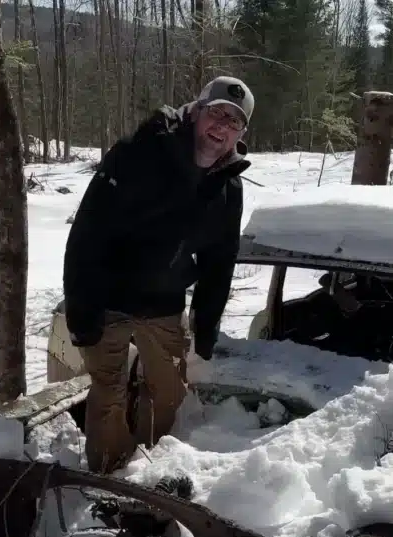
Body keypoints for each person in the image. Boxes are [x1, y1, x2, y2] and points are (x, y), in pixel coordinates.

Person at [63, 76, 254, 473]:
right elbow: (87, 234)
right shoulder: (138, 154)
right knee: (108, 394)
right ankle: (108, 474)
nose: (222, 126)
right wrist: (81, 313)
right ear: (196, 111)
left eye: (234, 121)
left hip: (165, 304)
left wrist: (207, 327)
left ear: (240, 134)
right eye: (216, 112)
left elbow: (221, 259)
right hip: (108, 298)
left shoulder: (227, 186)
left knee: (168, 394)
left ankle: (149, 469)